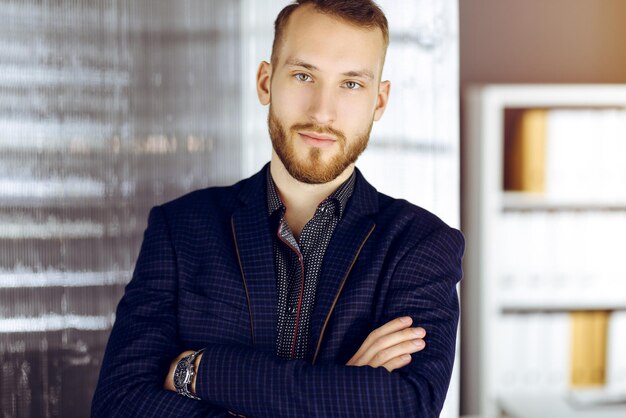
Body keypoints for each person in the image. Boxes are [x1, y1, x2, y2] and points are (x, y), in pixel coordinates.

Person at [91, 1, 464, 417]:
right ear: (266, 82)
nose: (322, 111)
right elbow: (118, 405)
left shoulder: (422, 245)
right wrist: (341, 396)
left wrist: (197, 370)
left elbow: (405, 407)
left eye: (352, 84)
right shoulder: (179, 228)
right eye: (304, 75)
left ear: (379, 101)